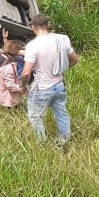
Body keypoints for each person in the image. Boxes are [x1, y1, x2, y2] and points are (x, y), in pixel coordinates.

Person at [21, 14, 80, 145]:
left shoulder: (32, 46)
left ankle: (42, 144)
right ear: (48, 25)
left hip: (42, 88)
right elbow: (75, 59)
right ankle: (64, 140)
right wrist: (61, 69)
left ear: (32, 27)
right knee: (61, 113)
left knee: (35, 116)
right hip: (60, 85)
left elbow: (26, 73)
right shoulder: (63, 39)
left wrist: (23, 86)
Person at [0, 39, 26, 108]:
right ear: (17, 52)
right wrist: (22, 88)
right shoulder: (9, 67)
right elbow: (10, 85)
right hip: (8, 99)